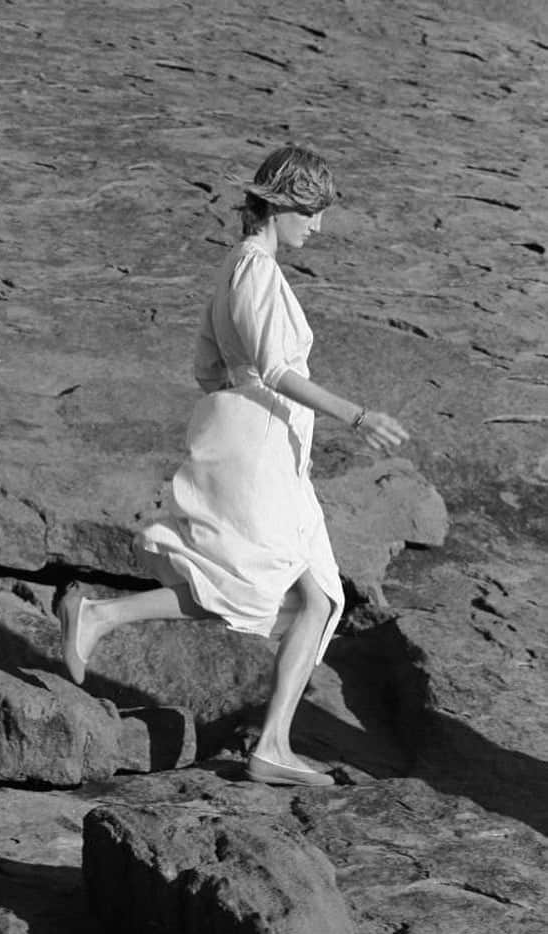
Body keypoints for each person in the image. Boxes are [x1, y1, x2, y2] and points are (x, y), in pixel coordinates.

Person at [59, 144, 408, 787]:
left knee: (321, 598)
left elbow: (205, 367)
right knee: (249, 588)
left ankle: (273, 743)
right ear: (279, 207)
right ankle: (102, 618)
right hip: (262, 454)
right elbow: (275, 369)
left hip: (276, 452)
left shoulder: (242, 268)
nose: (319, 226)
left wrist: (245, 396)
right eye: (311, 212)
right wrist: (358, 416)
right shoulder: (254, 271)